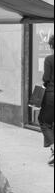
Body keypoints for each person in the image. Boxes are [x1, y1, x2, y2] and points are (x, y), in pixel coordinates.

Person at [39, 35, 54, 166]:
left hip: (51, 95)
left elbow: (46, 78)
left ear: (51, 46)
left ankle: (54, 148)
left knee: (44, 121)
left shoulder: (49, 59)